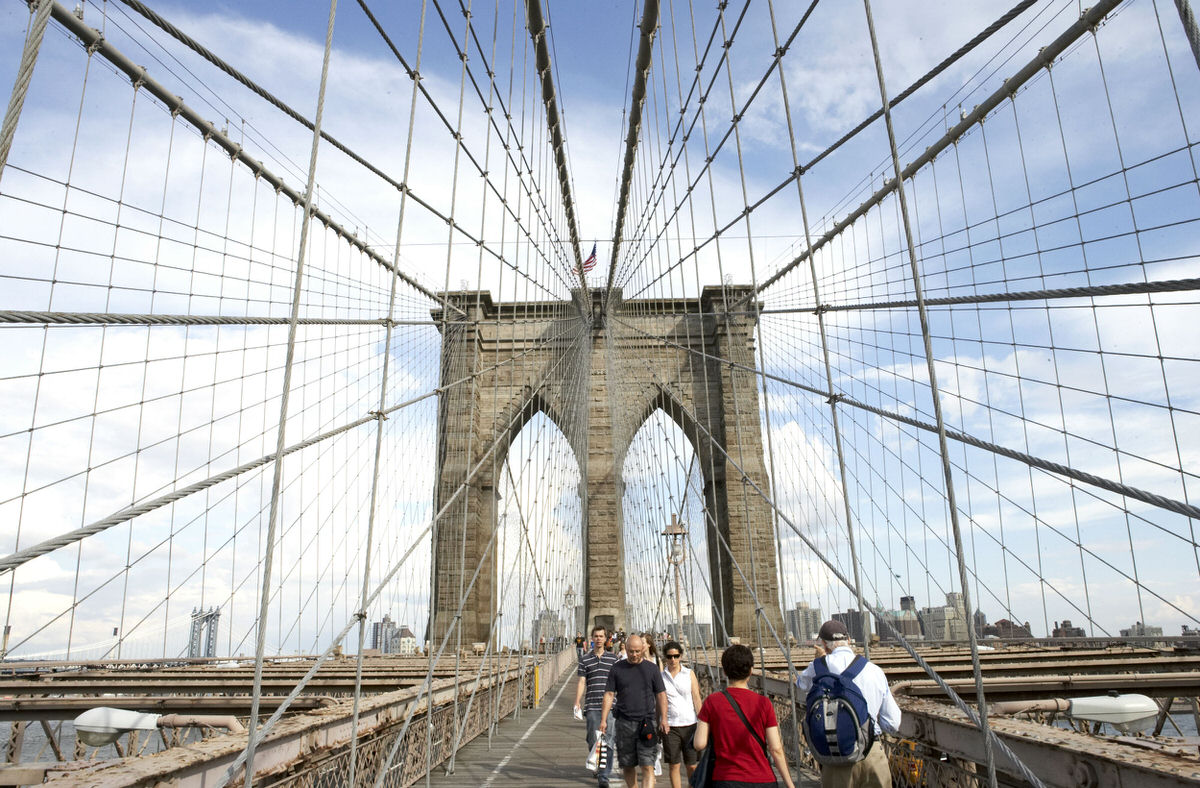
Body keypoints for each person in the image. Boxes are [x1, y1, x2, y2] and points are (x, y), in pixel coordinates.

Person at [796, 620, 901, 788]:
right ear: (849, 640)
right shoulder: (875, 671)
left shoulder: (817, 667)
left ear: (823, 643)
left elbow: (801, 685)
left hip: (835, 754)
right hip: (871, 754)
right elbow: (892, 724)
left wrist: (819, 662)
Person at [694, 644, 796, 788]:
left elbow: (699, 744)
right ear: (751, 671)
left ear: (724, 672)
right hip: (762, 779)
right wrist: (790, 784)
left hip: (726, 780)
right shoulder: (764, 703)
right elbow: (776, 749)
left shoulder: (712, 702)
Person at [599, 633, 668, 788]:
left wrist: (664, 718)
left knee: (647, 765)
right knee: (628, 765)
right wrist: (603, 720)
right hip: (624, 722)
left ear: (643, 648)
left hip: (646, 722)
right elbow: (609, 694)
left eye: (637, 651)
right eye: (631, 651)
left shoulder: (652, 669)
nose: (634, 654)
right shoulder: (617, 668)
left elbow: (661, 695)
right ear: (626, 649)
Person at [577, 625, 620, 788]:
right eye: (596, 636)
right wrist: (577, 701)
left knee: (608, 740)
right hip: (591, 704)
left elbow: (619, 682)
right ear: (592, 638)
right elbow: (581, 681)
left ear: (606, 638)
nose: (599, 639)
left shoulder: (613, 659)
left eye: (601, 636)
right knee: (593, 739)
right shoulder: (585, 659)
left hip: (610, 706)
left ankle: (603, 775)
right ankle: (595, 761)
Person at [660, 640, 702, 788]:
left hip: (690, 724)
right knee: (674, 765)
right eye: (670, 656)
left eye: (676, 656)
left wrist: (703, 721)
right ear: (665, 657)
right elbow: (659, 701)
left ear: (681, 656)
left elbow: (696, 697)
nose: (673, 660)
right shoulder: (661, 676)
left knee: (692, 765)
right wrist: (659, 720)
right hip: (670, 726)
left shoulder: (689, 674)